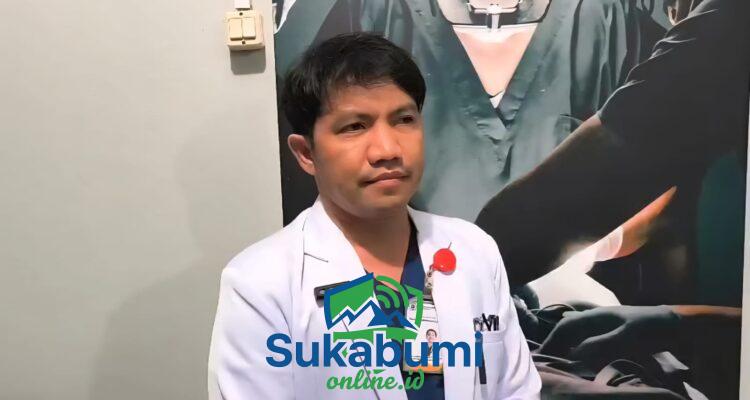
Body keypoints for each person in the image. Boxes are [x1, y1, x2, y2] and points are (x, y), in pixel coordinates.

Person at [207, 33, 541, 399]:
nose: (387, 150)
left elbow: (517, 391)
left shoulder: (474, 250)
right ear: (306, 153)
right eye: (355, 126)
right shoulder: (260, 282)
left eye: (404, 119)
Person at [274, 0, 672, 223]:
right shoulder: (378, 12)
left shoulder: (607, 17)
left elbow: (662, 168)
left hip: (575, 302)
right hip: (409, 289)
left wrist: (593, 252)